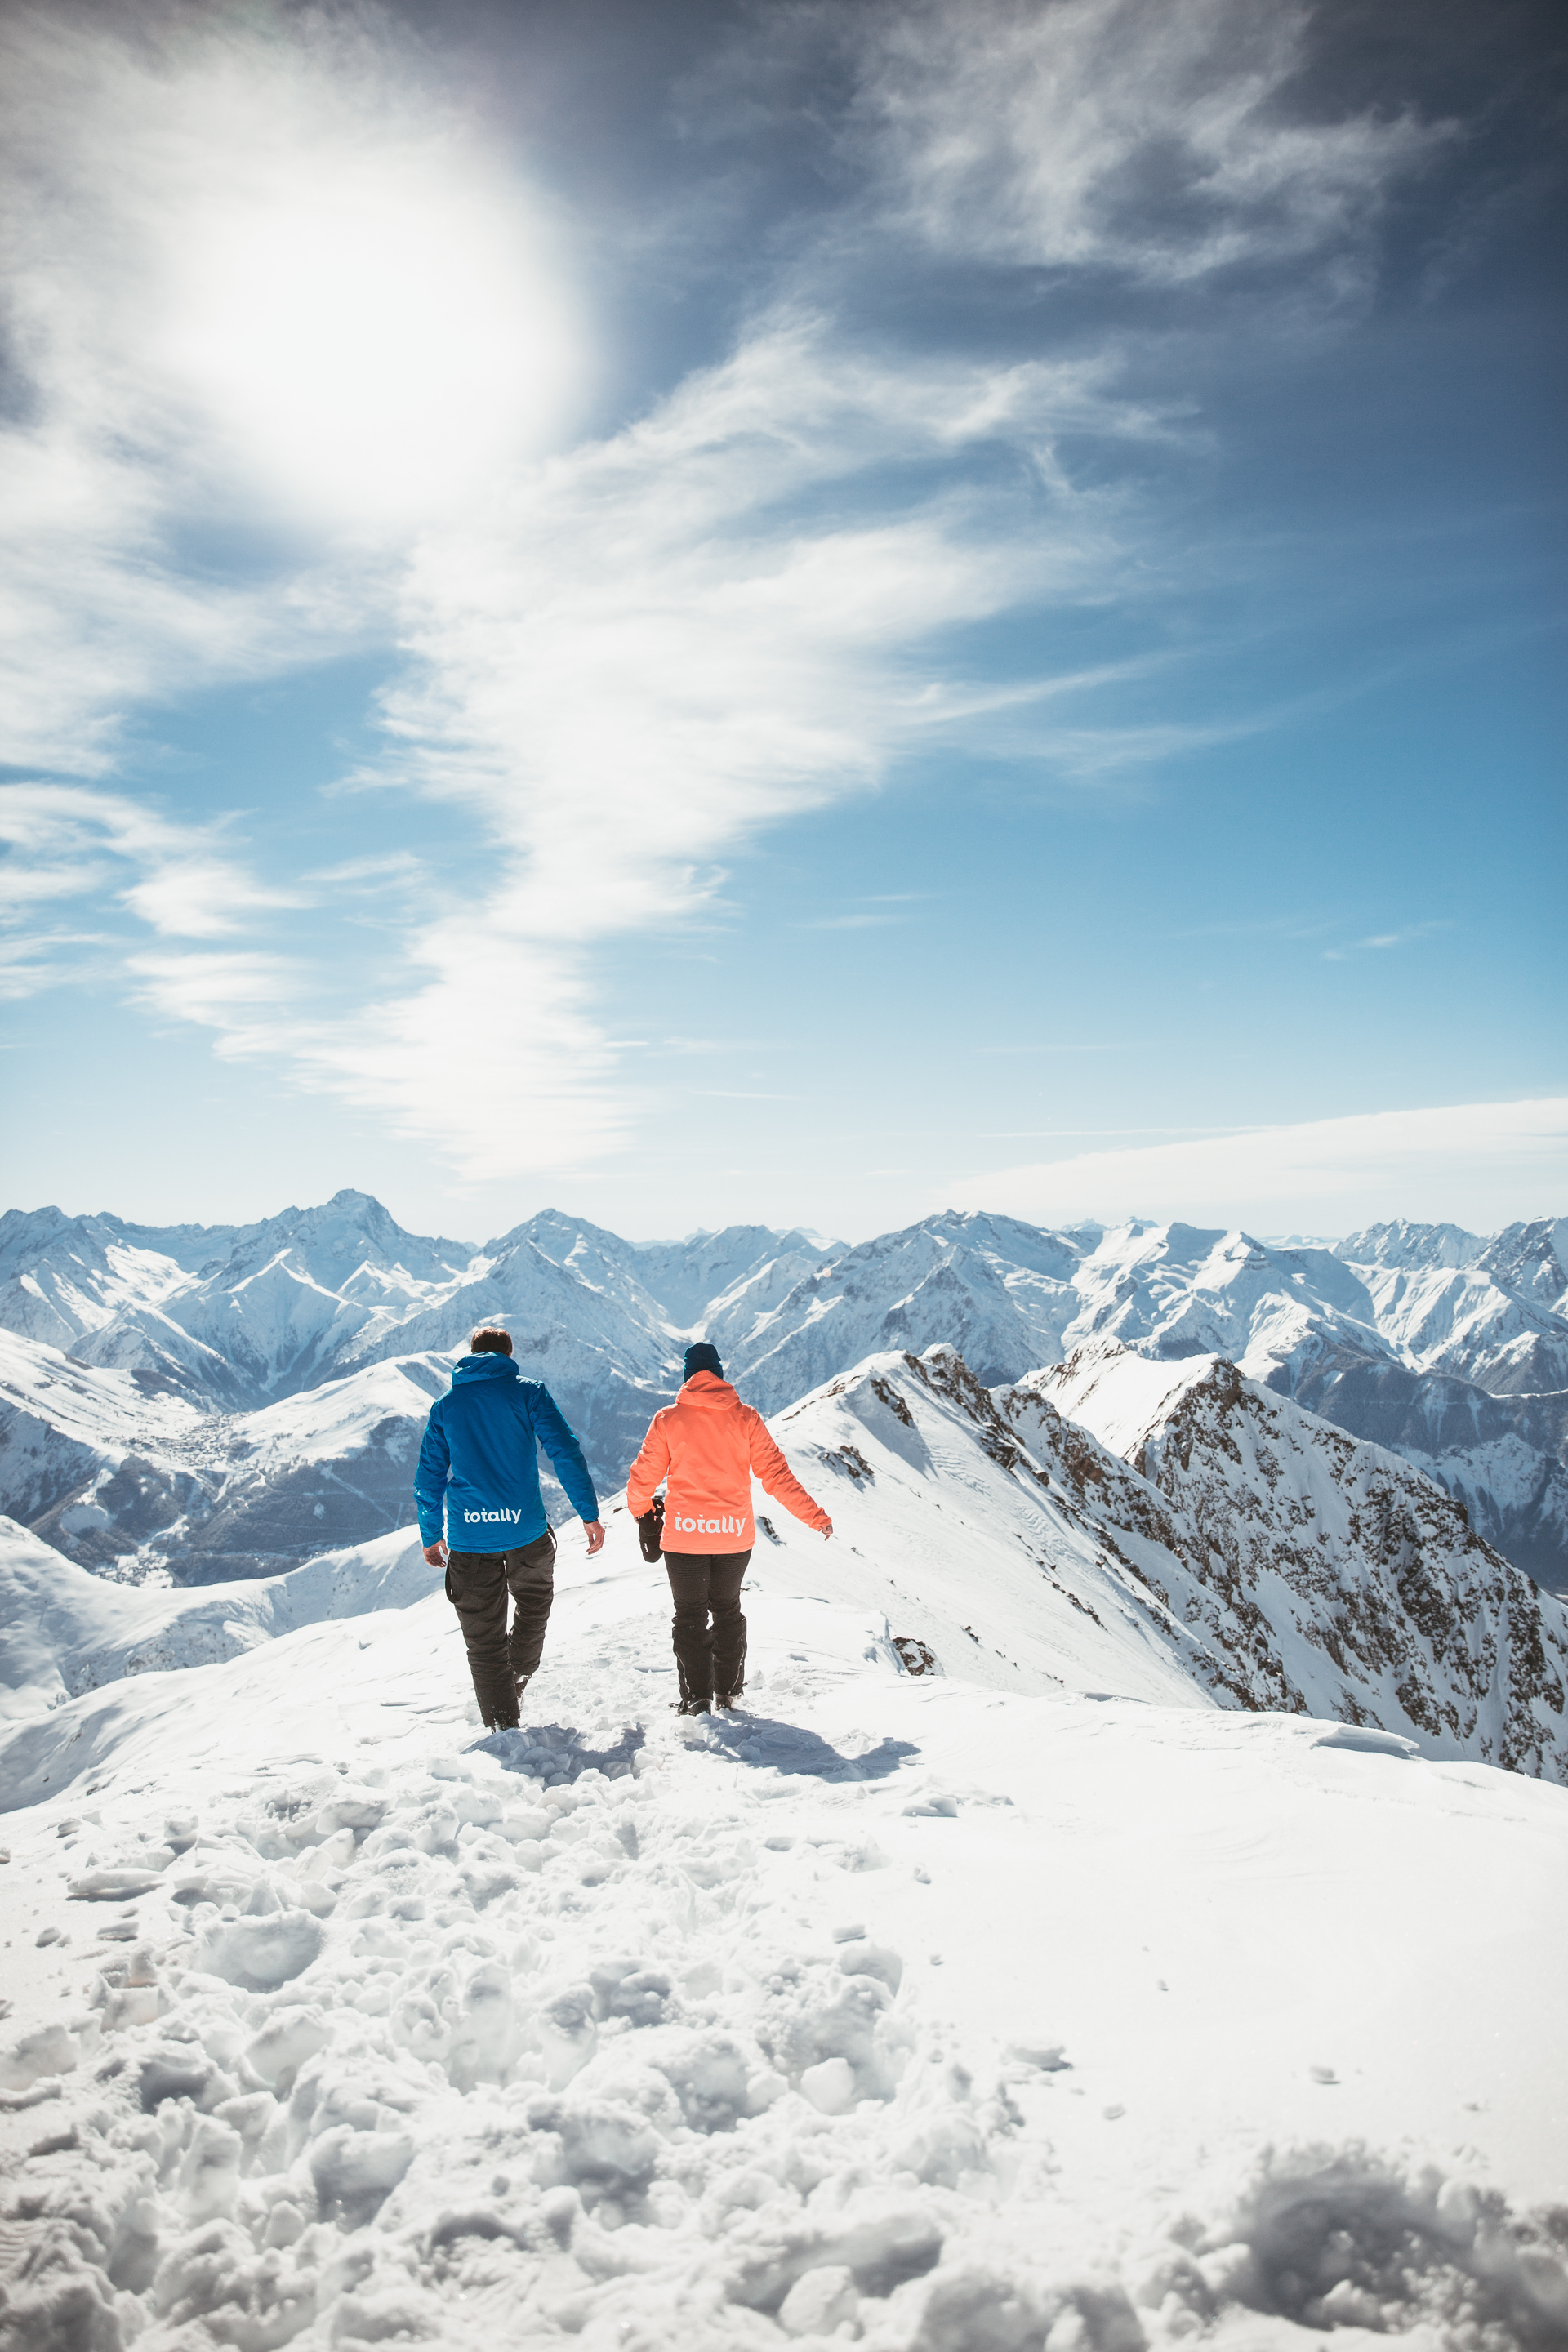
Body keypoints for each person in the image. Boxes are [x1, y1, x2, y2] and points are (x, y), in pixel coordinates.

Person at [626, 1340, 831, 1716]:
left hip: (684, 1536)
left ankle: (696, 1698)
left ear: (687, 1375)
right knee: (727, 1610)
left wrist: (643, 1515)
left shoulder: (668, 1419)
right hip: (733, 1535)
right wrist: (814, 1516)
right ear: (720, 1374)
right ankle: (729, 1693)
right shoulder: (746, 1418)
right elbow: (777, 1476)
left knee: (689, 1616)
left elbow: (643, 1479)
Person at [415, 1325, 604, 1731]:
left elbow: (429, 1477)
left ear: (471, 1354)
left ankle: (502, 1728)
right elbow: (565, 1452)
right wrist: (588, 1512)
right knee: (534, 1604)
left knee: (483, 1643)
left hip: (469, 1538)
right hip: (528, 1533)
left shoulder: (446, 1406)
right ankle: (519, 1670)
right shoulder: (529, 1392)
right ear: (509, 1353)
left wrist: (431, 1535)